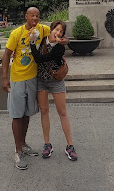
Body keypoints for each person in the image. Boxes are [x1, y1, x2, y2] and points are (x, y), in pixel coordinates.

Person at [2, 7, 68, 170]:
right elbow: (6, 55)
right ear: (26, 16)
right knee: (17, 115)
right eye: (31, 15)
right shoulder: (16, 33)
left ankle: (23, 144)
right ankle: (17, 151)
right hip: (17, 78)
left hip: (33, 78)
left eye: (37, 16)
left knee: (26, 114)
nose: (34, 18)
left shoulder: (42, 29)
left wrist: (65, 41)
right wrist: (4, 78)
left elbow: (57, 33)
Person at [29, 20, 78, 162]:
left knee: (62, 112)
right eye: (56, 29)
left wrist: (63, 42)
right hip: (41, 80)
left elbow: (41, 59)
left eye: (61, 31)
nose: (58, 33)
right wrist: (32, 42)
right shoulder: (42, 40)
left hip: (55, 80)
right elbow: (36, 58)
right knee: (44, 111)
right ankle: (47, 144)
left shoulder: (60, 48)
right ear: (51, 29)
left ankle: (70, 145)